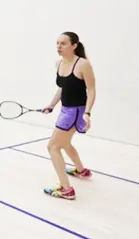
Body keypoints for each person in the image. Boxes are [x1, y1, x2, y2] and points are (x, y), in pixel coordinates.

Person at [40, 31, 96, 200]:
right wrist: (51, 105)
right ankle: (81, 170)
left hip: (76, 111)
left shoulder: (83, 64)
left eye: (63, 43)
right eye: (57, 43)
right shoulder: (59, 63)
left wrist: (87, 113)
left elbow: (92, 90)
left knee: (53, 147)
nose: (59, 46)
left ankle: (66, 189)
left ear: (74, 45)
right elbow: (63, 88)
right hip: (66, 109)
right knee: (64, 143)